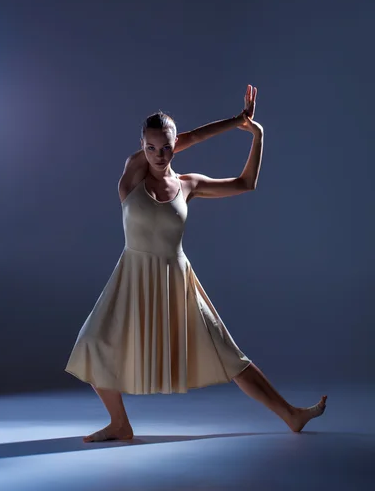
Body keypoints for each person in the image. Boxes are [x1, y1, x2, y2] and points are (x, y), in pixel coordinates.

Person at [65, 84, 327, 442]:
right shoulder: (133, 174)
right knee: (93, 343)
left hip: (177, 278)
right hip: (133, 276)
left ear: (175, 146)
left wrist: (255, 134)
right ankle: (120, 424)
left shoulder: (189, 184)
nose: (159, 154)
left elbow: (246, 183)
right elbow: (189, 137)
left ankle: (291, 414)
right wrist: (234, 119)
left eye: (167, 147)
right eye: (151, 147)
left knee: (227, 352)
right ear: (142, 147)